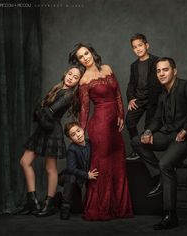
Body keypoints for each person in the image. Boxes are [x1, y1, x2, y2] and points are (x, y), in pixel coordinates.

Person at [131, 57, 187, 230]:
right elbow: (157, 119)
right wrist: (149, 131)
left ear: (175, 71)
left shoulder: (186, 85)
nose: (161, 73)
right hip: (168, 134)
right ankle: (159, 176)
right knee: (137, 141)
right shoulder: (162, 94)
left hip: (185, 137)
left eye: (165, 70)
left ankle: (170, 215)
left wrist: (186, 130)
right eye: (158, 71)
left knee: (165, 163)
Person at [69, 43, 133, 220]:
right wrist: (81, 131)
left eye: (86, 53)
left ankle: (119, 208)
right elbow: (84, 109)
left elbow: (118, 93)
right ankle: (100, 208)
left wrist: (121, 115)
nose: (85, 58)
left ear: (92, 52)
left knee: (118, 164)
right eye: (81, 57)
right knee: (102, 166)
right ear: (79, 61)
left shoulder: (107, 68)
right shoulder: (84, 80)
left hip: (114, 125)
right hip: (100, 127)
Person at [19, 65, 84, 217]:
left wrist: (40, 111)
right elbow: (41, 109)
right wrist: (40, 111)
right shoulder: (58, 88)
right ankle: (33, 202)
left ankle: (48, 205)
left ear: (78, 83)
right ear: (65, 73)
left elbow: (48, 111)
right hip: (43, 129)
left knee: (50, 169)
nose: (71, 78)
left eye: (75, 78)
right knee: (25, 161)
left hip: (52, 131)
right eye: (70, 74)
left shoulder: (68, 95)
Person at [126, 33, 162, 159]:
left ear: (146, 45)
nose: (138, 49)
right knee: (129, 122)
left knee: (148, 127)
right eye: (135, 47)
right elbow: (131, 84)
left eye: (140, 45)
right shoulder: (134, 65)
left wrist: (159, 99)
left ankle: (144, 151)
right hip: (139, 99)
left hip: (153, 100)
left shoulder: (156, 61)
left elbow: (160, 82)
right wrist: (131, 98)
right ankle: (137, 150)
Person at [58, 121, 99, 220]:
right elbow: (71, 169)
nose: (78, 135)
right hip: (67, 177)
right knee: (71, 178)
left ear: (82, 129)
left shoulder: (90, 143)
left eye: (78, 131)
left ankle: (58, 198)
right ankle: (65, 206)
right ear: (70, 138)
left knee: (77, 210)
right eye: (73, 135)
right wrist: (86, 175)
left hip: (78, 180)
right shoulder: (72, 149)